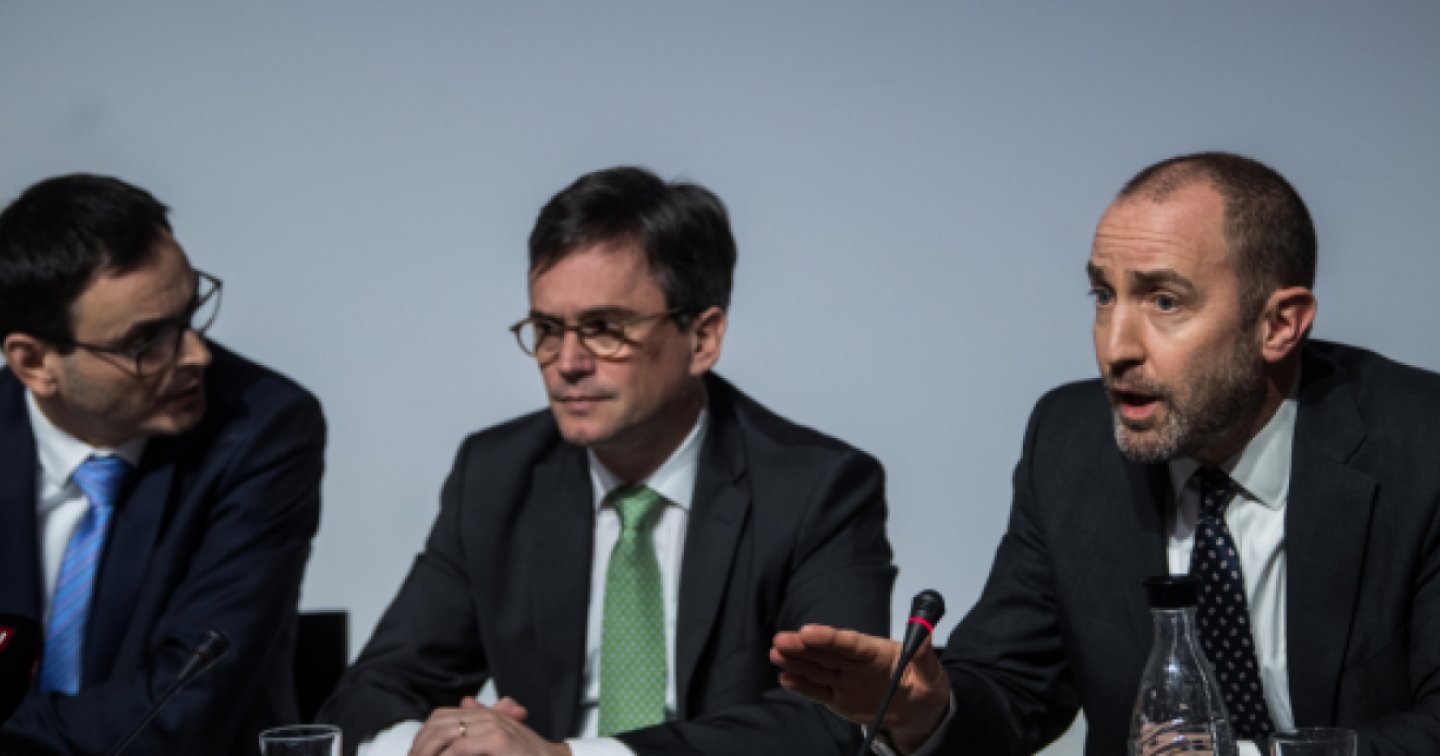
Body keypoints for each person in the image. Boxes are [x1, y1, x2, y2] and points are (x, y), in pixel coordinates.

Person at [772, 151, 1440, 755]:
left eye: (1164, 301)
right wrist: (926, 708)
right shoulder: (1070, 442)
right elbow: (1015, 685)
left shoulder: (1420, 444)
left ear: (1279, 324)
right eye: (1103, 295)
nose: (1116, 347)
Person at [319, 166, 895, 756]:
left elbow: (834, 719)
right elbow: (372, 692)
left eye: (604, 329)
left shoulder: (818, 487)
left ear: (702, 339)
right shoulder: (496, 475)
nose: (567, 362)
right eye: (547, 329)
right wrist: (443, 745)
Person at [0, 174, 326, 754]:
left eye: (190, 314)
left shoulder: (261, 426)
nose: (196, 354)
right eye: (146, 342)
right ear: (33, 363)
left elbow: (182, 705)